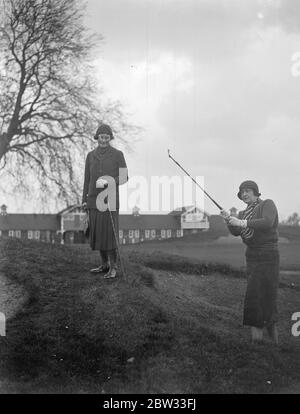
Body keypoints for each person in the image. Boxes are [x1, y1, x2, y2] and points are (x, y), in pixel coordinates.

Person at [221, 180, 280, 344]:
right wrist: (228, 220)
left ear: (256, 192)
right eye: (242, 192)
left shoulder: (267, 204)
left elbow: (267, 222)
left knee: (267, 295)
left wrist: (242, 222)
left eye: (247, 191)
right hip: (253, 256)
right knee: (255, 296)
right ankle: (259, 343)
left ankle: (272, 344)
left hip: (268, 254)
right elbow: (236, 231)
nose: (244, 194)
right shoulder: (242, 213)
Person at [82, 123, 128, 279]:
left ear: (110, 138)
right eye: (101, 137)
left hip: (110, 200)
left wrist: (108, 182)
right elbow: (87, 179)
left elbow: (124, 177)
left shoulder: (118, 154)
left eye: (106, 138)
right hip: (94, 200)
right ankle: (104, 264)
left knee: (109, 235)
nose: (103, 140)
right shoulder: (90, 156)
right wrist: (84, 200)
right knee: (97, 234)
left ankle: (113, 268)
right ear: (97, 138)